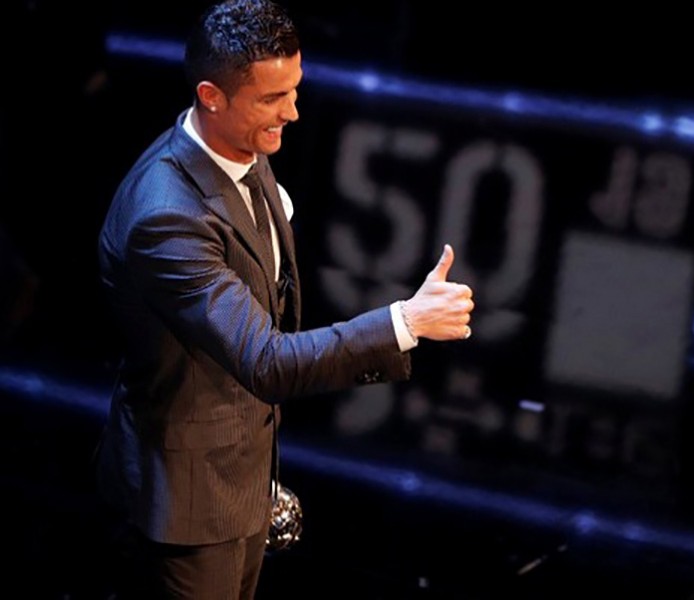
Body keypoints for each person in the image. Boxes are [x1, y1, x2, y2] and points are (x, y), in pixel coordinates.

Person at [93, 0, 475, 598]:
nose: (293, 112)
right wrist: (405, 322)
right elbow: (267, 361)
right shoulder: (166, 217)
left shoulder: (243, 149)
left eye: (294, 90)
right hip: (189, 498)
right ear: (211, 96)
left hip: (237, 470)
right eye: (273, 99)